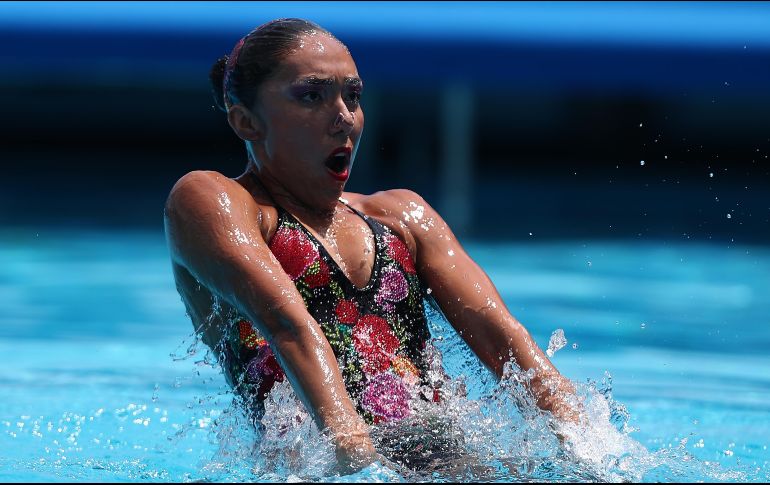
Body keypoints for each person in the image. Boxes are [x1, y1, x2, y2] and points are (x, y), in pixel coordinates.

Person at [164, 18, 578, 474]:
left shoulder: (401, 216)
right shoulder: (212, 201)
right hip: (323, 466)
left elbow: (503, 336)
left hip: (450, 459)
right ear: (246, 121)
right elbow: (286, 324)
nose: (343, 115)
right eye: (312, 95)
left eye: (353, 96)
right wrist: (356, 459)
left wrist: (585, 442)